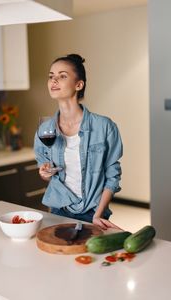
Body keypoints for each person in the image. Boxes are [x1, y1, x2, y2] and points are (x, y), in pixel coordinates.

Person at [34, 54, 123, 230]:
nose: (54, 80)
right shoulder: (44, 129)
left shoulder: (104, 126)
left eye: (62, 76)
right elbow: (45, 170)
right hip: (58, 209)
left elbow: (112, 175)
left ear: (79, 84)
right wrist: (44, 173)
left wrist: (98, 213)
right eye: (51, 76)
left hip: (93, 211)